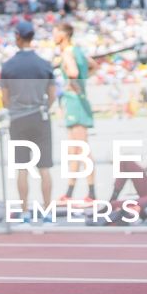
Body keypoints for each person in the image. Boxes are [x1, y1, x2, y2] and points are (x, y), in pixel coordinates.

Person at [0, 19, 57, 212]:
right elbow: (53, 95)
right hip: (40, 117)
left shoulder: (8, 66)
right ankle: (47, 212)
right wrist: (43, 106)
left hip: (18, 119)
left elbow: (4, 99)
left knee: (22, 168)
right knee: (44, 168)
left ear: (17, 37)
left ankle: (24, 212)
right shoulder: (44, 64)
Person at [53, 20, 96, 205]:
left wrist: (74, 86)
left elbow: (72, 72)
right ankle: (70, 191)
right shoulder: (77, 50)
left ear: (63, 35)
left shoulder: (67, 53)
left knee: (81, 149)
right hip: (77, 101)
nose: (53, 36)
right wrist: (82, 83)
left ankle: (91, 192)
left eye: (55, 32)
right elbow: (93, 65)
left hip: (75, 102)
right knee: (74, 149)